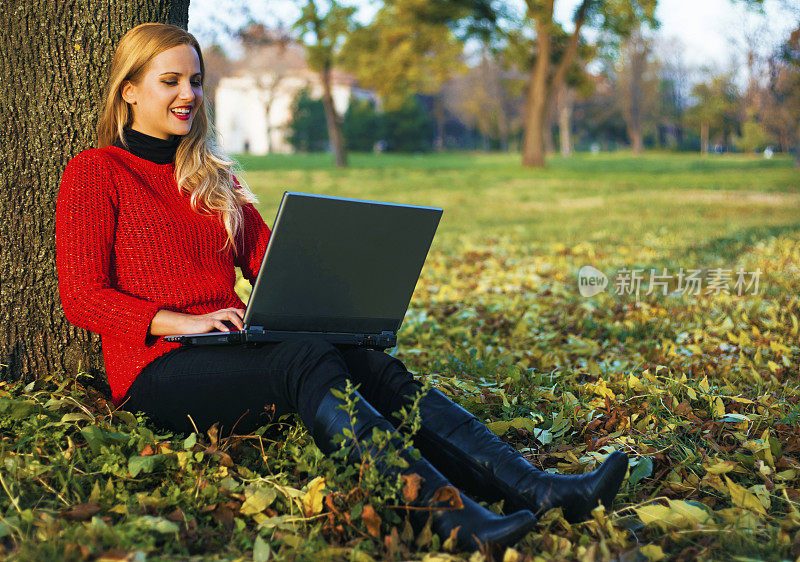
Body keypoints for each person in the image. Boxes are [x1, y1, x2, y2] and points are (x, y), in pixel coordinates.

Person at [55, 23, 628, 552]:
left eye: (196, 81)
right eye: (171, 81)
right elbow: (80, 296)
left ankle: (540, 489)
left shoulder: (212, 175)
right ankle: (450, 518)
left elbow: (273, 260)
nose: (189, 95)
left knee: (365, 361)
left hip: (230, 346)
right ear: (129, 90)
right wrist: (182, 321)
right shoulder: (96, 172)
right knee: (304, 358)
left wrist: (343, 293)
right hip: (158, 367)